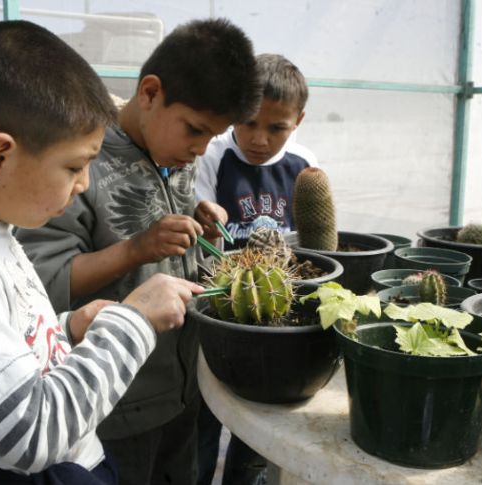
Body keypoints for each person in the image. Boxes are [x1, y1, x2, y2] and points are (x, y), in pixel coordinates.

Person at [0, 20, 204, 485]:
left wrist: (68, 328)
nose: (85, 183)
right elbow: (33, 434)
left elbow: (9, 352)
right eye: (75, 166)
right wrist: (135, 321)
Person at [13, 18, 261, 485]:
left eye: (212, 136)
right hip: (114, 405)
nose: (200, 149)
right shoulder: (78, 160)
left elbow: (172, 224)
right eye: (194, 129)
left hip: (184, 389)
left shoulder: (175, 154)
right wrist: (136, 249)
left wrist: (199, 218)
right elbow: (42, 285)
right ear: (149, 93)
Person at [194, 54, 318, 485]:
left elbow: (314, 242)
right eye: (248, 121)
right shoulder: (211, 155)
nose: (260, 139)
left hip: (277, 314)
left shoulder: (304, 164)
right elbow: (202, 237)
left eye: (277, 127)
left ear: (298, 120)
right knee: (206, 412)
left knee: (260, 425)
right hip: (220, 306)